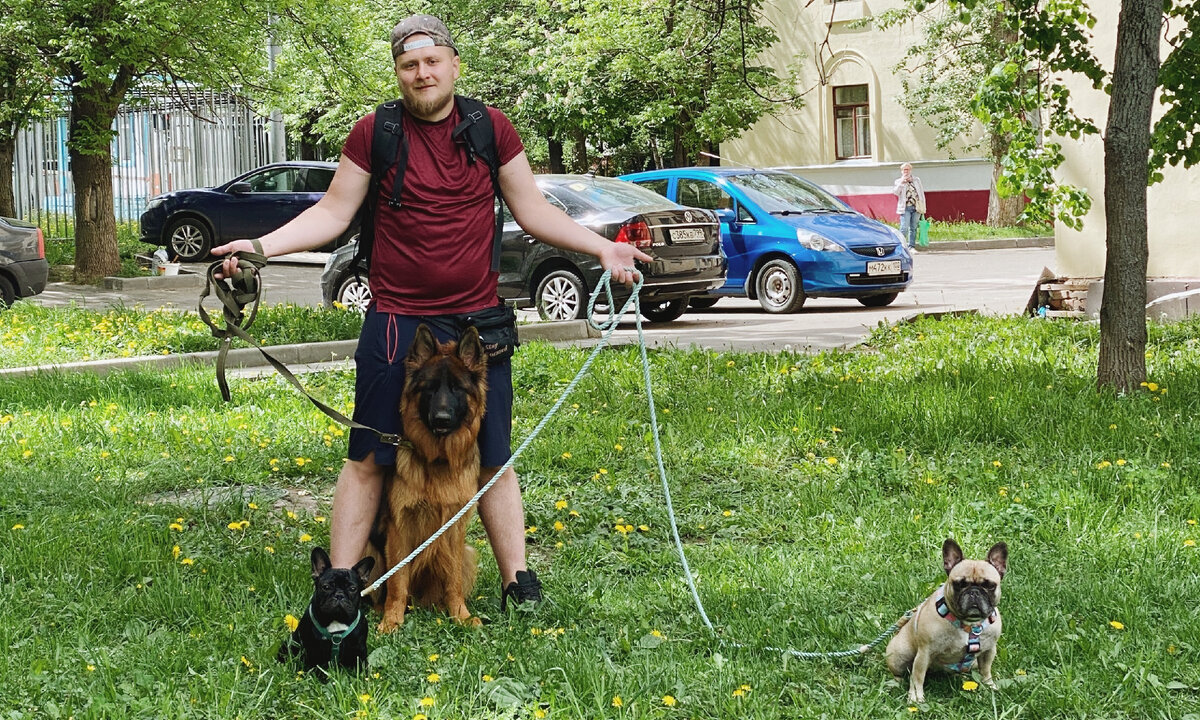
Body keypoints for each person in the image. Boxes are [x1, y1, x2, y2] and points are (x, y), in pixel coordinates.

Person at [213, 14, 651, 610]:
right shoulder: (376, 133)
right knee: (369, 455)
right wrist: (259, 248)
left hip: (476, 326)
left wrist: (603, 246)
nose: (422, 73)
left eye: (432, 61)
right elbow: (334, 213)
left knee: (493, 454)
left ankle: (517, 583)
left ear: (453, 64)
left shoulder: (489, 128)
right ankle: (341, 582)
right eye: (408, 64)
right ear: (398, 73)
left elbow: (531, 210)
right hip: (396, 323)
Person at [892, 162, 927, 250]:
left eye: (907, 169)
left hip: (916, 207)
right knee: (904, 227)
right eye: (904, 170)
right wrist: (902, 182)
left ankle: (911, 246)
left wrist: (923, 207)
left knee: (914, 227)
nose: (906, 171)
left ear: (910, 170)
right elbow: (895, 192)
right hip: (905, 208)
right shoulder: (898, 181)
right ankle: (902, 246)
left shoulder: (916, 180)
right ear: (901, 171)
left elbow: (921, 194)